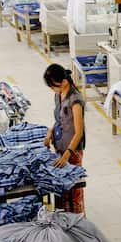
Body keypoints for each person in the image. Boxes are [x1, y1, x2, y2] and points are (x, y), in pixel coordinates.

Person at [42, 64, 86, 213]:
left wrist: (67, 155)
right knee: (60, 191)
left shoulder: (75, 101)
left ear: (64, 82)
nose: (52, 89)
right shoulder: (58, 95)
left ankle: (77, 224)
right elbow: (59, 120)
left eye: (53, 86)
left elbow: (78, 132)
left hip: (72, 151)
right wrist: (50, 132)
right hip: (60, 147)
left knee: (73, 192)